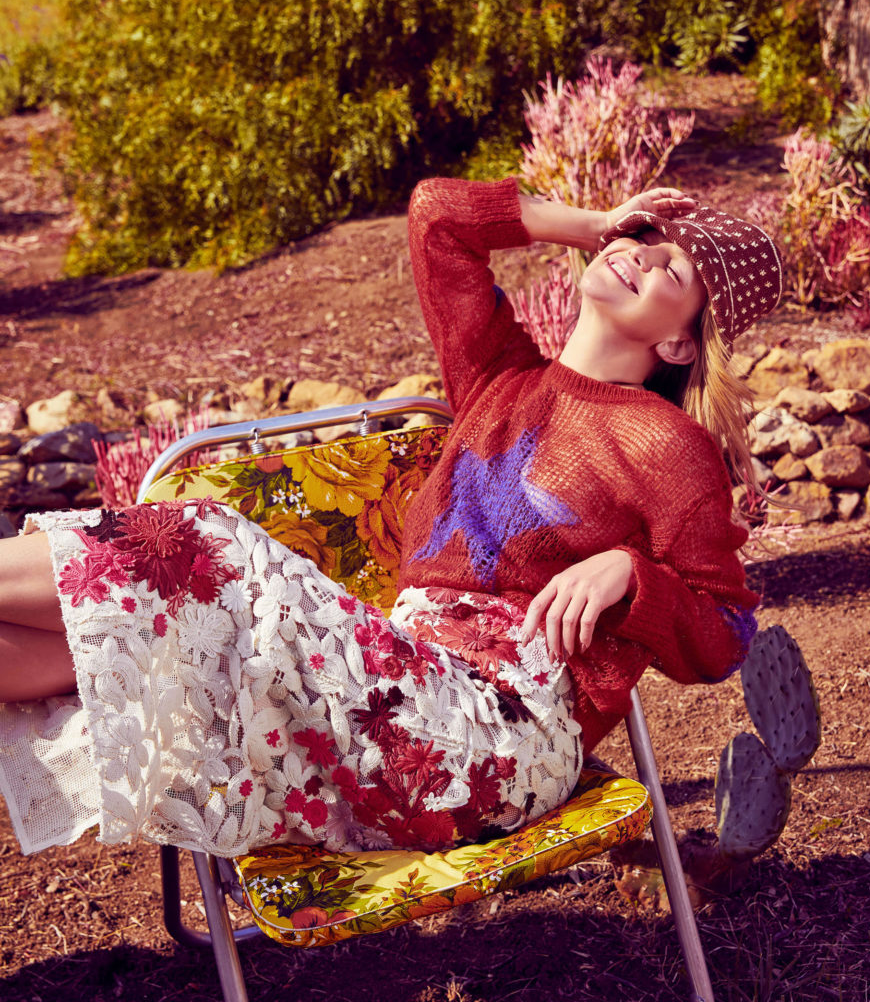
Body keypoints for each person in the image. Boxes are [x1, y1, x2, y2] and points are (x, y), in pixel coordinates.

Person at [0, 178, 781, 860]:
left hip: (495, 735)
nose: (643, 254)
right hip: (390, 693)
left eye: (673, 267)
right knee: (137, 642)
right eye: (643, 237)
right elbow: (437, 216)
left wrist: (629, 574)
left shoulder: (664, 443)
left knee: (205, 540)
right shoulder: (497, 379)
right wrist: (592, 223)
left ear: (680, 342)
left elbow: (724, 629)